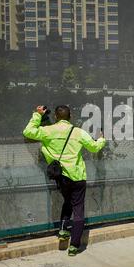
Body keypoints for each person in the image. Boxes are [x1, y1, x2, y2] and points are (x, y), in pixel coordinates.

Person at [23, 105, 106, 256]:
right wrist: (101, 139)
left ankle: (63, 230)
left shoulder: (48, 131)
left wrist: (38, 115)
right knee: (78, 209)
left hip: (61, 177)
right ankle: (74, 246)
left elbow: (28, 132)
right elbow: (94, 148)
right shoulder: (78, 132)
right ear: (70, 116)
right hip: (77, 176)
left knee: (67, 202)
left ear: (55, 116)